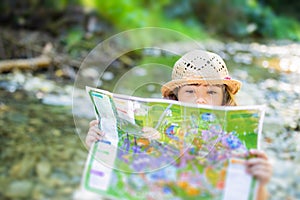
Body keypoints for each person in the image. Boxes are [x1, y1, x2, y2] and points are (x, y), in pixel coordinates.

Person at [86, 50, 272, 200]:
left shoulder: (231, 141)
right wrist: (100, 148)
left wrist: (260, 184)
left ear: (225, 99)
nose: (201, 100)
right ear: (175, 98)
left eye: (212, 92)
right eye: (190, 91)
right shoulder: (156, 133)